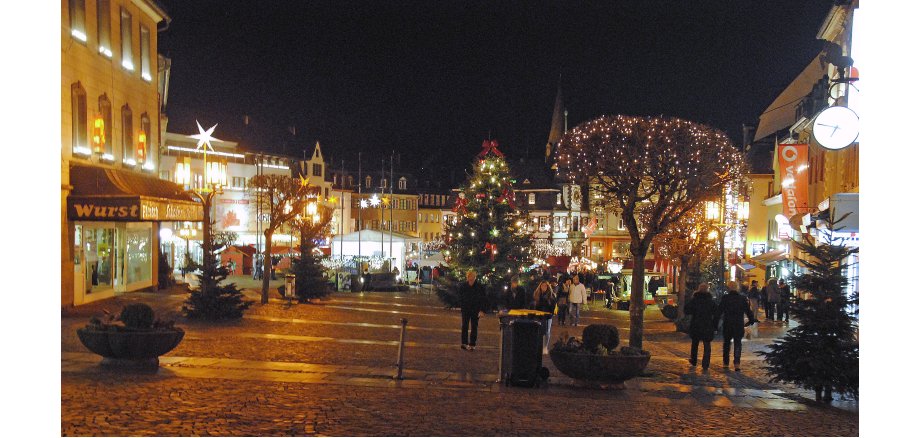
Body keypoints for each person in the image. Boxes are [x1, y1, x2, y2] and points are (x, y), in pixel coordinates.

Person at [716, 281, 757, 371]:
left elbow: (719, 311)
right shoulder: (741, 298)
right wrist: (751, 320)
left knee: (726, 343)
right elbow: (748, 310)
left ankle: (726, 363)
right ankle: (737, 363)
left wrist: (715, 324)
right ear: (737, 288)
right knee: (738, 343)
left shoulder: (725, 298)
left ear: (728, 288)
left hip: (727, 323)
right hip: (738, 323)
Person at [684, 283, 718, 371]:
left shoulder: (694, 300)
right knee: (707, 344)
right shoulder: (710, 301)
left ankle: (694, 360)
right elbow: (716, 312)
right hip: (707, 325)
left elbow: (687, 310)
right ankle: (705, 363)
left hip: (696, 324)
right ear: (707, 290)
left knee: (695, 343)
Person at [458, 270, 486, 351]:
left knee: (474, 327)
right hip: (466, 309)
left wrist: (482, 310)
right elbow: (460, 297)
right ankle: (464, 343)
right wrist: (462, 306)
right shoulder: (463, 286)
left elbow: (483, 299)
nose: (470, 279)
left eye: (472, 277)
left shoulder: (479, 287)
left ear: (474, 278)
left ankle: (472, 344)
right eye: (469, 277)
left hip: (475, 310)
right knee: (464, 326)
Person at [532, 280, 556, 354]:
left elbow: (553, 306)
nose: (544, 287)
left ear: (548, 287)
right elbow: (534, 305)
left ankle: (545, 347)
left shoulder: (551, 295)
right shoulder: (536, 294)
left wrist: (550, 314)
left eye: (545, 286)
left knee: (547, 331)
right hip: (538, 316)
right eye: (542, 286)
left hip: (547, 316)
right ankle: (538, 346)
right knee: (538, 331)